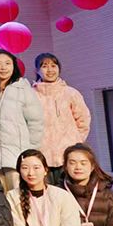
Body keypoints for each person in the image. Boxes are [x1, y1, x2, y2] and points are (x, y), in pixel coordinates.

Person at [0, 50, 44, 191]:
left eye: (7, 63)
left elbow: (36, 123)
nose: (3, 67)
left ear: (14, 66)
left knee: (18, 198)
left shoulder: (23, 89)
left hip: (17, 159)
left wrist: (30, 152)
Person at [33, 53, 91, 183]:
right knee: (46, 192)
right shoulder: (31, 95)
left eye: (53, 66)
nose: (50, 70)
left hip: (68, 155)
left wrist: (75, 143)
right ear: (37, 70)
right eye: (44, 66)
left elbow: (83, 120)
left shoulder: (71, 93)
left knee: (69, 190)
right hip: (41, 155)